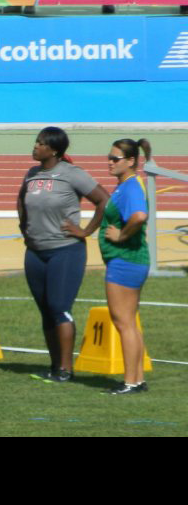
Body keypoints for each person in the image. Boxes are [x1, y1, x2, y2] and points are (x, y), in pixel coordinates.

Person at [17, 127, 109, 382]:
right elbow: (22, 200)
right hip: (35, 252)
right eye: (36, 142)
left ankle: (66, 370)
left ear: (54, 150)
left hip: (65, 251)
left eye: (41, 144)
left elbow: (104, 200)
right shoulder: (31, 174)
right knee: (46, 310)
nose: (35, 147)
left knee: (59, 307)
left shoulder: (71, 174)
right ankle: (54, 365)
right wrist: (24, 228)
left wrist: (86, 231)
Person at [99, 138, 152, 395]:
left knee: (123, 323)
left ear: (131, 161)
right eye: (109, 157)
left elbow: (139, 216)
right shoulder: (127, 185)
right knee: (130, 322)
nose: (110, 162)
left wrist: (121, 236)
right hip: (128, 260)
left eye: (115, 158)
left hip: (126, 261)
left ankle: (130, 381)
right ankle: (137, 379)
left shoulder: (131, 186)